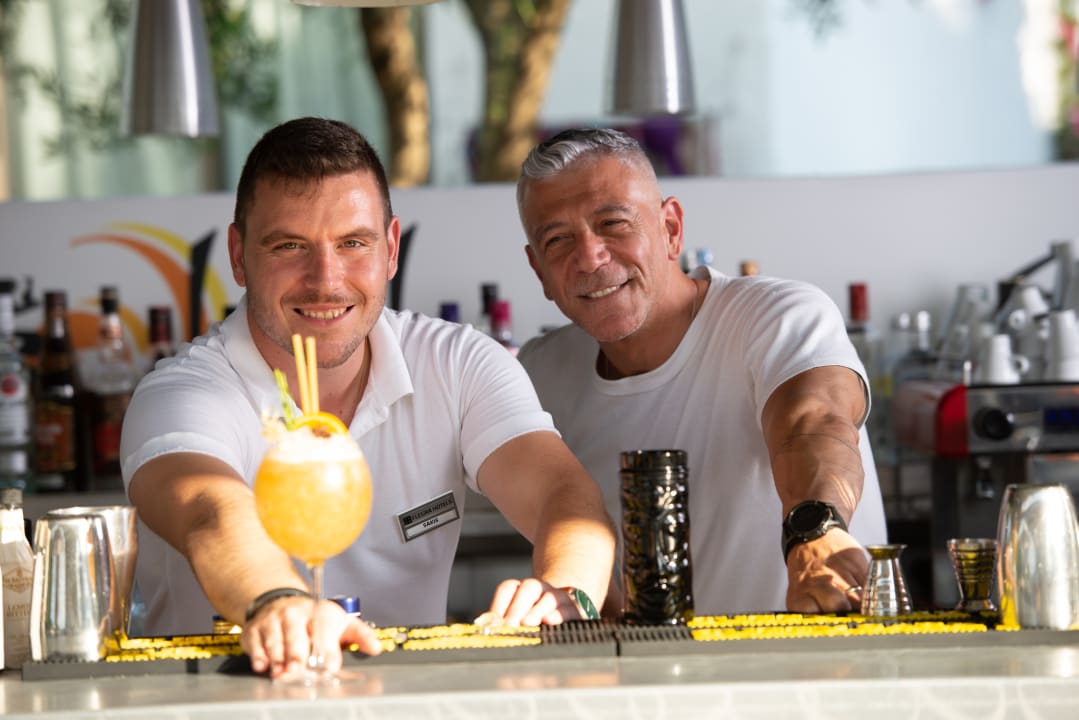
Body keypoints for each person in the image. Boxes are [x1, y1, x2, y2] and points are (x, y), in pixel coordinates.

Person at [120, 117, 615, 679]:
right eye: (289, 246)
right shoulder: (182, 392)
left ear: (391, 248)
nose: (326, 280)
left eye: (352, 243)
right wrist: (277, 603)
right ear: (238, 255)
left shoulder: (456, 363)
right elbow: (211, 511)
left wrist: (566, 592)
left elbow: (562, 494)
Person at [515, 128, 887, 616]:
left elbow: (813, 421)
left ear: (671, 229)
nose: (589, 257)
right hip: (662, 663)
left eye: (613, 223)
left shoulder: (778, 314)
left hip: (824, 650)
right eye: (558, 239)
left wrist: (816, 529)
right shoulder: (540, 374)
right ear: (538, 270)